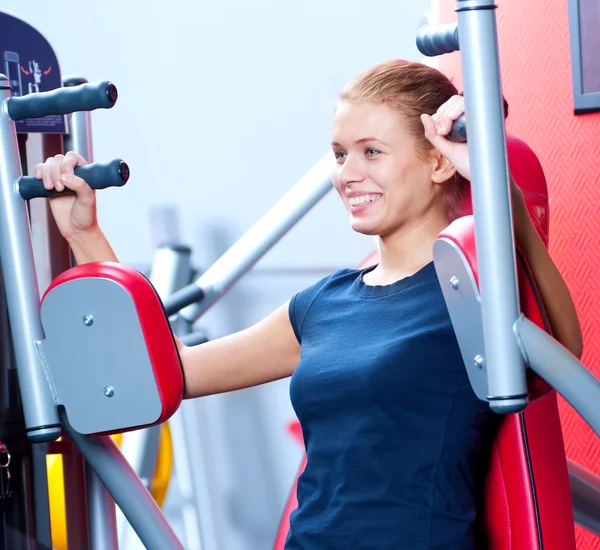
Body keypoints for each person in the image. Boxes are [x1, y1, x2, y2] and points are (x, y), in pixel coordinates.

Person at [36, 59, 582, 549]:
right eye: (341, 154)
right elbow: (165, 371)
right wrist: (86, 238)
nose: (347, 173)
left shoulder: (470, 291)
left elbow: (560, 351)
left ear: (439, 164)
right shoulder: (323, 303)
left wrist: (496, 188)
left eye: (372, 152)